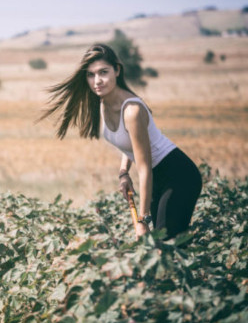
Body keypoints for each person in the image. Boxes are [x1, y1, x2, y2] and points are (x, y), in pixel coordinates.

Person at [41, 43, 201, 239]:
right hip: (155, 177)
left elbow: (144, 167)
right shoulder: (102, 104)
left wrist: (142, 221)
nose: (97, 81)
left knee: (166, 246)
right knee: (158, 246)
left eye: (103, 72)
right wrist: (123, 172)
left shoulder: (132, 111)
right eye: (91, 75)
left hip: (178, 176)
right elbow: (129, 144)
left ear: (117, 70)